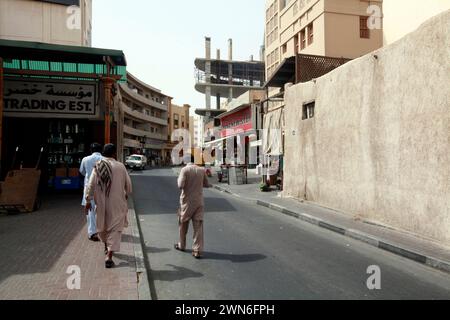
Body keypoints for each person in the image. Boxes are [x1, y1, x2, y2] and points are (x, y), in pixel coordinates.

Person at [85, 144, 132, 268]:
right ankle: (109, 255)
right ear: (114, 154)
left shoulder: (98, 166)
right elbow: (129, 186)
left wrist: (88, 200)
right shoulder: (121, 166)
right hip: (117, 203)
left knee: (103, 227)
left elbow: (90, 185)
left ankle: (107, 248)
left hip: (101, 203)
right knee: (115, 229)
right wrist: (126, 194)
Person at [174, 156, 212, 259]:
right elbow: (207, 184)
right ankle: (197, 251)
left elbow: (180, 185)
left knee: (183, 224)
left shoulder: (185, 170)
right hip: (199, 202)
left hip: (186, 202)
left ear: (185, 161)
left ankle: (181, 245)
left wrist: (181, 178)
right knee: (198, 227)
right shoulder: (201, 170)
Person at [79, 143, 103, 242]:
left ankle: (92, 233)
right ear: (100, 150)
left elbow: (82, 171)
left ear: (91, 150)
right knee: (101, 210)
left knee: (90, 210)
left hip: (88, 187)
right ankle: (102, 231)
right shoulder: (104, 159)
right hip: (101, 188)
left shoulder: (85, 159)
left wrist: (88, 175)